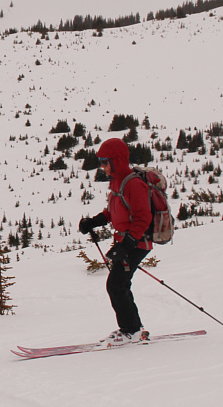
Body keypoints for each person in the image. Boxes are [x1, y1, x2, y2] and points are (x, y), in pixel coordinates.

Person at [78, 137, 154, 346]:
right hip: (127, 241)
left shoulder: (133, 184)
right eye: (100, 162)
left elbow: (143, 217)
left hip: (137, 242)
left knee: (116, 285)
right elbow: (114, 211)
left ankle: (131, 331)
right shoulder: (118, 181)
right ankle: (134, 329)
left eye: (105, 162)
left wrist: (128, 243)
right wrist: (94, 222)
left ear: (117, 160)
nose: (102, 166)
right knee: (120, 284)